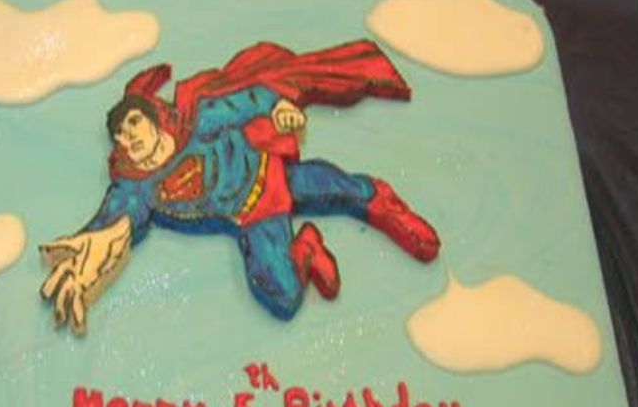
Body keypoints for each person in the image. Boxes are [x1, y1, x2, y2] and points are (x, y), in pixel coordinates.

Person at [40, 40, 440, 333]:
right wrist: (87, 260)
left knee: (337, 188)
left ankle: (384, 204)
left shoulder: (198, 121)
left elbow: (251, 100)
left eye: (133, 124)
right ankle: (307, 247)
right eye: (120, 136)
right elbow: (111, 222)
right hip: (252, 215)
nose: (129, 138)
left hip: (269, 174)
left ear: (154, 119)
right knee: (283, 294)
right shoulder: (138, 186)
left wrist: (279, 109)